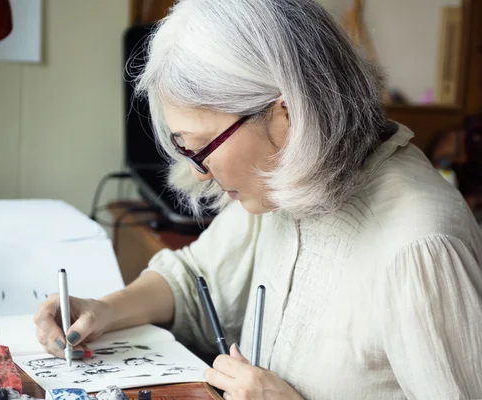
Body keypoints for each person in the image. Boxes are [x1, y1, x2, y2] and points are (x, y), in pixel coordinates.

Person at [35, 0, 482, 399]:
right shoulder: (287, 181)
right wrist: (103, 310)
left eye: (202, 146)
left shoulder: (419, 248)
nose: (197, 170)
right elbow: (197, 278)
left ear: (285, 115)